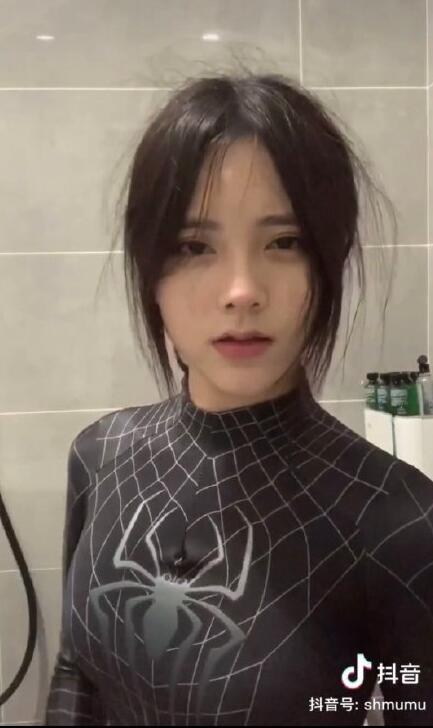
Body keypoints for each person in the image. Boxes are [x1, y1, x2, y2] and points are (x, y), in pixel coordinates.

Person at [45, 72, 433, 726]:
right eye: (193, 246)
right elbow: (75, 671)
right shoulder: (99, 457)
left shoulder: (399, 524)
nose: (242, 290)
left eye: (284, 242)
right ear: (150, 271)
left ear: (328, 260)